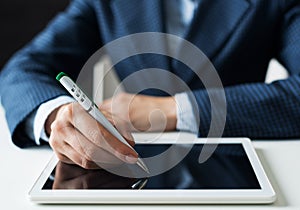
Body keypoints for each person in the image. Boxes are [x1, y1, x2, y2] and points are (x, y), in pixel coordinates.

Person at [0, 0, 300, 169]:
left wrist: (173, 109)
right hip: (125, 167)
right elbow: (23, 68)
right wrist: (55, 115)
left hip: (234, 166)